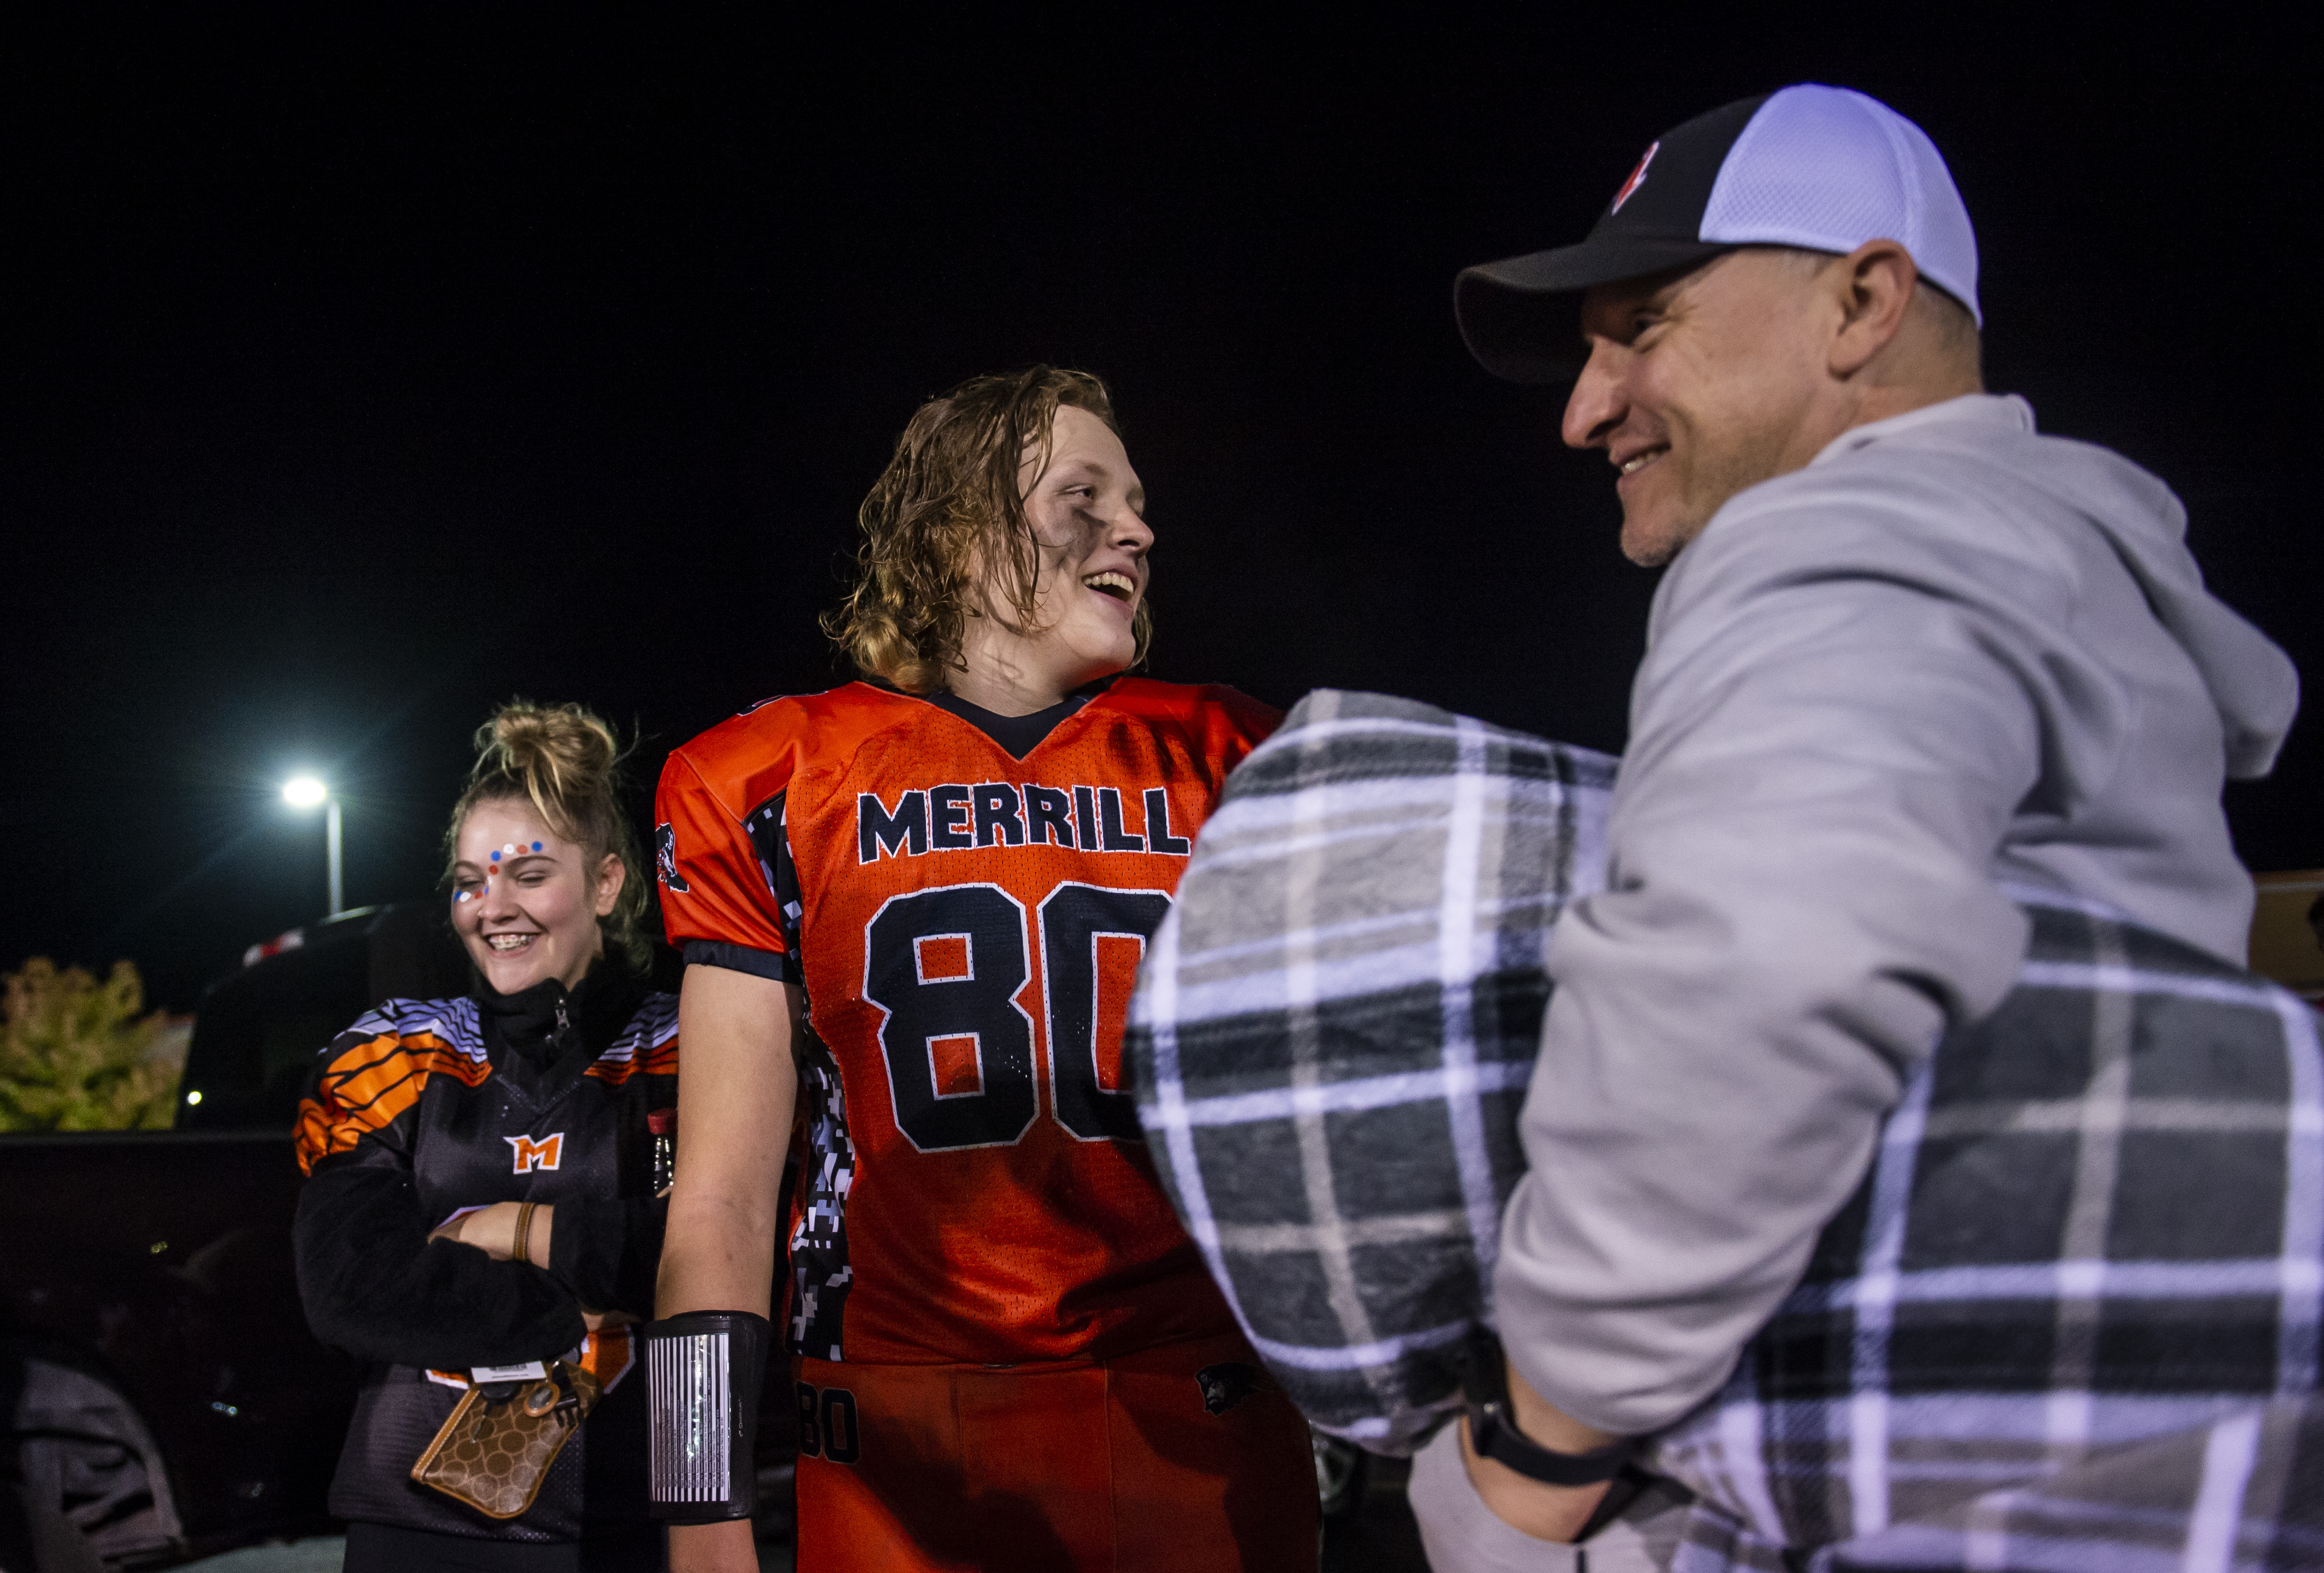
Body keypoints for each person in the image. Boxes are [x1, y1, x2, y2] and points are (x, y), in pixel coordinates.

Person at [1422, 85, 2302, 1560]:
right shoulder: (2045, 557)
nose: (1580, 410)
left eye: (1639, 327)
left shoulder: (1844, 535)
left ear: (1861, 301)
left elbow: (1761, 965)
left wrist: (1539, 1438)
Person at [652, 366, 1318, 1571]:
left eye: (1137, 500)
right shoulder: (762, 780)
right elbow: (719, 1201)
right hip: (903, 1447)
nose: (1136, 528)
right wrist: (697, 1508)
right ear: (960, 536)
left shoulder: (1233, 752)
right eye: (1083, 493)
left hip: (1195, 1420)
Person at [294, 702, 677, 1572]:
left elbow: (724, 1250)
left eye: (529, 873)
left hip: (627, 1513)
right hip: (415, 1523)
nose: (491, 906)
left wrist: (514, 1228)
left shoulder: (686, 1043)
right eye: (470, 880)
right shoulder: (395, 1049)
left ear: (608, 882)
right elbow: (350, 1287)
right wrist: (563, 1309)